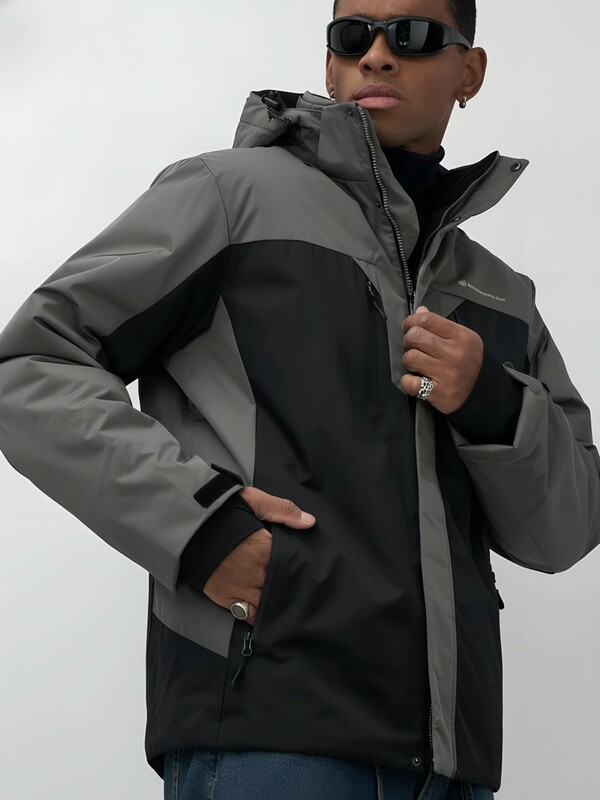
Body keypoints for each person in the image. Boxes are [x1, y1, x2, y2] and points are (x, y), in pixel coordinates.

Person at [0, 0, 598, 797]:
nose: (377, 55)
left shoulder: (500, 295)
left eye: (414, 35)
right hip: (269, 736)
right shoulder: (228, 197)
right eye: (353, 36)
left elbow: (565, 530)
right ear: (329, 64)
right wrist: (203, 530)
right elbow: (30, 365)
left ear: (470, 71)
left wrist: (492, 399)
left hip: (451, 765)